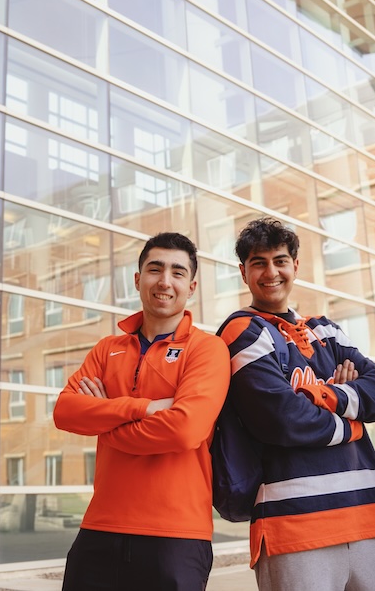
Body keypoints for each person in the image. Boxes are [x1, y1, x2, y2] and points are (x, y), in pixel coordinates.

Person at [220, 217, 375, 590]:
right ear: (244, 272)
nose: (271, 272)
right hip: (295, 523)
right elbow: (283, 419)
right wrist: (353, 420)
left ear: (295, 266)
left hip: (364, 516)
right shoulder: (242, 330)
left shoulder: (326, 329)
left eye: (280, 260)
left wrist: (324, 396)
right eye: (259, 263)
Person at [53, 232, 229, 591]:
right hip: (100, 527)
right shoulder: (107, 349)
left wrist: (104, 418)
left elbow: (184, 430)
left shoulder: (207, 350)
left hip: (176, 535)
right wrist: (145, 408)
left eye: (178, 272)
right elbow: (65, 411)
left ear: (191, 286)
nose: (165, 281)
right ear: (138, 279)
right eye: (155, 269)